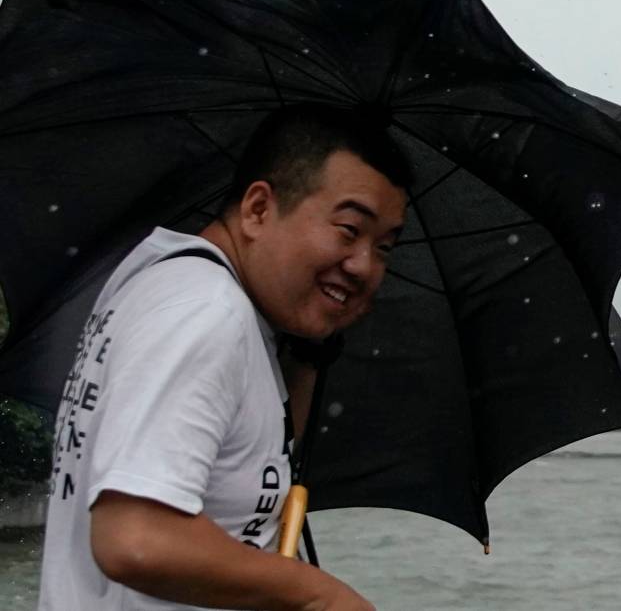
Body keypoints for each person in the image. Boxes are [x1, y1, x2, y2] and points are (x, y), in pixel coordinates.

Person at [37, 103, 410, 611]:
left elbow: (246, 464)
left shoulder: (179, 285)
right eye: (348, 229)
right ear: (258, 208)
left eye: (385, 246)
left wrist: (308, 347)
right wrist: (316, 593)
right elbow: (137, 539)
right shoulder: (204, 312)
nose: (365, 265)